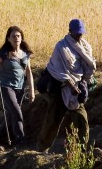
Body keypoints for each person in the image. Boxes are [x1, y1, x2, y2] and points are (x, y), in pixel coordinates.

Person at [38, 18, 96, 151]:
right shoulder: (61, 47)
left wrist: (82, 82)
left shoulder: (85, 47)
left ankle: (82, 150)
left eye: (81, 33)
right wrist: (70, 84)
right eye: (76, 33)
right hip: (60, 87)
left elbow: (88, 67)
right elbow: (57, 69)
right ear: (70, 31)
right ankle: (42, 149)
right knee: (52, 120)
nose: (79, 35)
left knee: (81, 119)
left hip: (77, 89)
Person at [0, 25, 35, 147]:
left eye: (18, 36)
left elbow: (28, 72)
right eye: (13, 36)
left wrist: (31, 91)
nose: (16, 38)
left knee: (11, 115)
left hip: (20, 88)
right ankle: (20, 139)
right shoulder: (4, 53)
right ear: (8, 39)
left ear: (21, 38)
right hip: (6, 86)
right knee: (16, 112)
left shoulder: (25, 54)